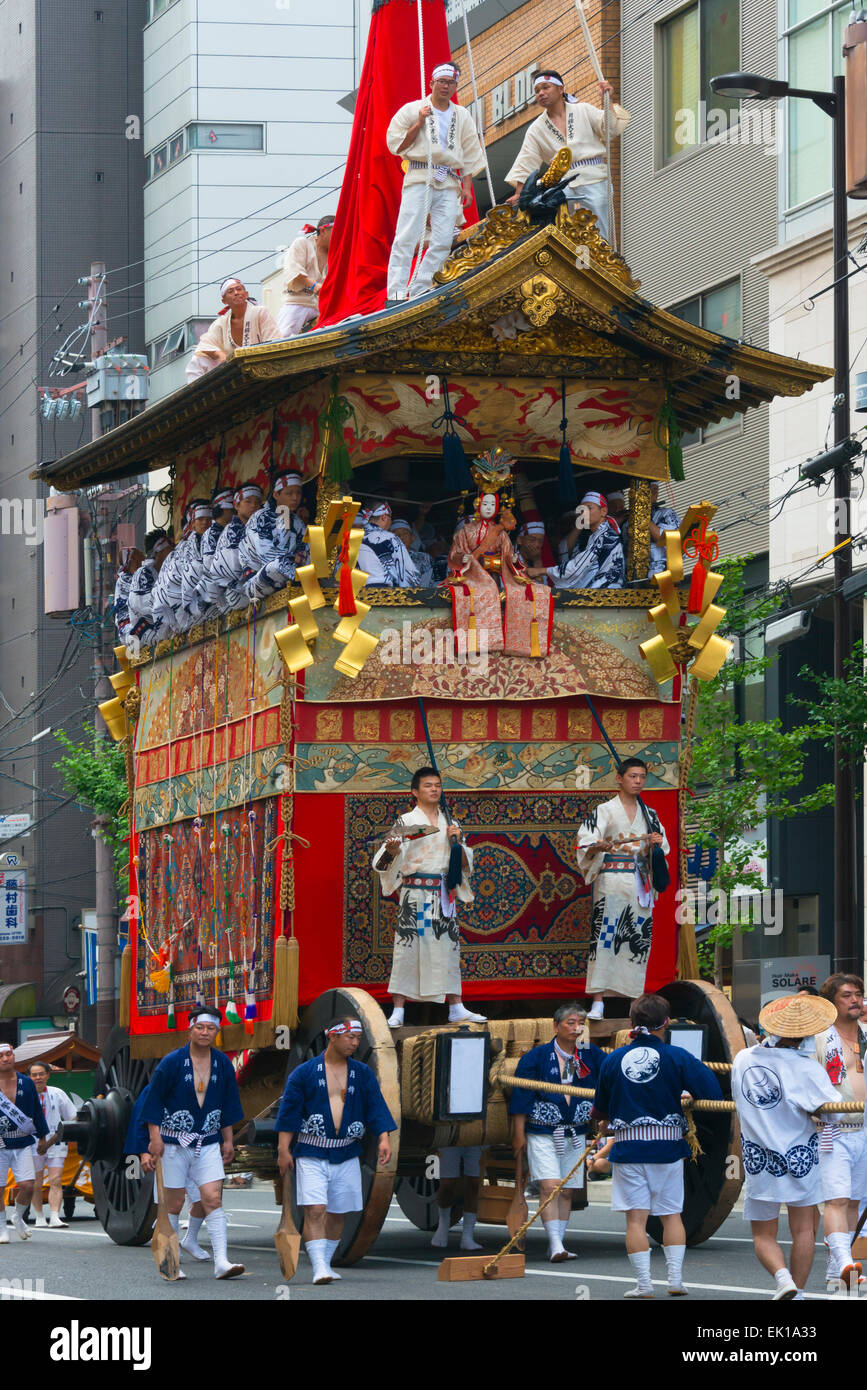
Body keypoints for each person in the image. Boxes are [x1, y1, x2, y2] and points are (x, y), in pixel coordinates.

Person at [592, 993, 722, 1298]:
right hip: (667, 1148)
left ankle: (644, 1285)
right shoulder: (677, 1057)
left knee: (636, 1219)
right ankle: (675, 1280)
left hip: (628, 1149)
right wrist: (686, 1097)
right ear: (666, 1023)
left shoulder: (613, 1059)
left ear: (631, 1024)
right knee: (671, 1215)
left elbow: (601, 1111)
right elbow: (711, 1089)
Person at [732, 992, 842, 1299]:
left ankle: (783, 1280)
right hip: (800, 1157)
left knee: (763, 1234)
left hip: (758, 1159)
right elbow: (839, 1110)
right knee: (804, 1230)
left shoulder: (743, 1059)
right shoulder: (806, 1068)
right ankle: (800, 1290)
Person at [275, 1018, 397, 1286]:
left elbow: (376, 1107)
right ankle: (319, 1266)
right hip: (311, 1150)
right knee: (316, 1209)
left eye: (357, 1037)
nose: (355, 1042)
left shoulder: (362, 1073)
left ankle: (326, 1262)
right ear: (332, 1036)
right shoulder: (304, 1073)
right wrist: (284, 1149)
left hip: (346, 1152)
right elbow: (289, 1114)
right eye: (349, 1037)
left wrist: (384, 1138)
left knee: (339, 1212)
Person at [372, 766, 484, 1029]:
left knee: (448, 949)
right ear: (415, 792)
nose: (434, 789)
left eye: (437, 785)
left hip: (443, 894)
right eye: (428, 786)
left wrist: (459, 844)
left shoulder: (452, 823)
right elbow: (381, 864)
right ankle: (399, 1010)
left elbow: (467, 863)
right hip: (415, 894)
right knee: (407, 949)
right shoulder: (406, 821)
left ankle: (456, 1007)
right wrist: (393, 848)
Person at [141, 1008, 245, 1280]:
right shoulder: (172, 1062)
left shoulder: (222, 1064)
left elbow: (228, 1105)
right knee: (173, 1204)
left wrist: (228, 1140)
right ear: (190, 1030)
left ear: (217, 1033)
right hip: (174, 1142)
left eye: (211, 1029)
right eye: (200, 1027)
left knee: (213, 1197)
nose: (205, 1032)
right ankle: (169, 1259)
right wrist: (155, 1137)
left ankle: (222, 1261)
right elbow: (153, 1102)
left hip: (208, 1141)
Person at [510, 1002, 606, 1262]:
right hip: (542, 1130)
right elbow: (522, 1096)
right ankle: (554, 1244)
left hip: (575, 1130)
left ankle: (559, 1242)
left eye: (580, 1024)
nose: (576, 1029)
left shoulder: (589, 1054)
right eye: (570, 1023)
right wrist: (518, 1133)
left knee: (566, 1190)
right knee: (550, 1185)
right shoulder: (537, 1057)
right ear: (556, 1026)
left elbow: (610, 1076)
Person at [576, 757, 669, 1017]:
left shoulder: (650, 815)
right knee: (604, 937)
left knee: (637, 938)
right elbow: (585, 841)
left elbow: (663, 847)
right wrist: (598, 845)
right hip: (612, 880)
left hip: (639, 882)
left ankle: (633, 1002)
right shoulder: (604, 810)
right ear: (619, 778)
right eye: (632, 776)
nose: (638, 781)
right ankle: (598, 1001)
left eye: (642, 777)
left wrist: (655, 842)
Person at [385, 63, 485, 302]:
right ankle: (396, 292)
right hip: (420, 174)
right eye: (441, 81)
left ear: (455, 86)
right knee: (407, 235)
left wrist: (468, 187)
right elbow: (395, 143)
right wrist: (418, 124)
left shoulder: (461, 114)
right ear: (431, 83)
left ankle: (421, 287)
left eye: (451, 83)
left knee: (442, 239)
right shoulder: (413, 109)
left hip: (449, 180)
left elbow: (470, 152)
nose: (446, 86)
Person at [505, 70, 629, 243]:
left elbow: (610, 129)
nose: (541, 93)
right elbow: (527, 160)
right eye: (537, 90)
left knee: (599, 233)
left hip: (595, 177)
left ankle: (602, 265)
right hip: (564, 186)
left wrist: (607, 101)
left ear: (560, 89)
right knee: (573, 236)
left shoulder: (583, 110)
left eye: (546, 87)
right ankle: (581, 268)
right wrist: (519, 193)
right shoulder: (536, 128)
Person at [815, 972, 867, 1285]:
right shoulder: (819, 1037)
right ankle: (845, 1264)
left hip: (864, 1128)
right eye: (846, 995)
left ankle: (839, 1269)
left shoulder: (865, 1032)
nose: (855, 1000)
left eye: (858, 994)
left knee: (855, 1201)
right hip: (832, 1128)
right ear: (832, 1002)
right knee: (836, 1199)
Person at [124, 1082, 209, 1271]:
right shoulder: (158, 1085)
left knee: (207, 1198)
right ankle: (171, 1254)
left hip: (196, 1147)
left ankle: (191, 1240)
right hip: (168, 1148)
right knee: (171, 1205)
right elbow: (141, 1118)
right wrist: (143, 1152)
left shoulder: (203, 1081)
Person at [0, 1042, 50, 1242]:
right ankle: (1, 1227)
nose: (5, 1059)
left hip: (22, 1142)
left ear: (14, 1056)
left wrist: (43, 1137)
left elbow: (37, 1112)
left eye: (8, 1054)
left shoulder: (26, 1083)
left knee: (28, 1185)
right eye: (1, 1055)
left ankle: (18, 1216)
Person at [185, 279, 279, 382]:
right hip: (234, 371)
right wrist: (219, 354)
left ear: (246, 294)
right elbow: (204, 345)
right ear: (224, 301)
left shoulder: (260, 312)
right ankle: (197, 394)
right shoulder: (221, 323)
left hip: (262, 365)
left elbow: (273, 340)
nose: (236, 293)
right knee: (198, 359)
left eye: (239, 289)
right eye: (230, 291)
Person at [529, 491, 625, 590]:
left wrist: (539, 571)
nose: (584, 513)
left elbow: (576, 567)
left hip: (606, 591)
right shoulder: (598, 534)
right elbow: (565, 552)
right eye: (582, 510)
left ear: (603, 511)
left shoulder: (604, 535)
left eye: (589, 508)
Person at [239, 470, 310, 604]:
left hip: (289, 571)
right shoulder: (260, 517)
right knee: (279, 565)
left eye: (298, 493)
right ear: (276, 494)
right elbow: (267, 555)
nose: (295, 498)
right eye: (289, 493)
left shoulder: (297, 521)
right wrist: (296, 558)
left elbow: (306, 548)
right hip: (258, 580)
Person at [28, 1063, 78, 1229]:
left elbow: (72, 1116)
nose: (38, 1078)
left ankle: (55, 1216)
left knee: (56, 1179)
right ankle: (39, 1216)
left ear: (48, 1075)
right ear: (29, 1077)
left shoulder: (57, 1093)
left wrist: (64, 1133)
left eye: (41, 1074)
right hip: (32, 1142)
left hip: (56, 1141)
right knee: (37, 1180)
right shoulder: (24, 1096)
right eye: (34, 1075)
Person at [210, 483, 265, 612]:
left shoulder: (257, 526)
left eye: (257, 503)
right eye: (248, 502)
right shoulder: (232, 531)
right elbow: (232, 569)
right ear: (236, 505)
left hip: (253, 584)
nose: (253, 506)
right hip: (237, 592)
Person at [278, 216, 334, 338]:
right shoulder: (302, 243)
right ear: (324, 231)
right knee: (284, 338)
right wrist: (314, 285)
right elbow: (294, 270)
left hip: (321, 307)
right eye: (336, 231)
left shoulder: (335, 255)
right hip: (297, 303)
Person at [125, 529, 174, 654]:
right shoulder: (143, 573)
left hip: (159, 632)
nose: (173, 551)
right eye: (170, 546)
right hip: (141, 639)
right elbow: (143, 604)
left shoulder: (162, 571)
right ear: (161, 549)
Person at [430, 1145, 485, 1252]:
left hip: (477, 1138)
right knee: (447, 1184)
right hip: (450, 1138)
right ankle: (443, 1225)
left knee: (475, 1183)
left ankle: (468, 1237)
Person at [195, 487, 236, 620]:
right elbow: (211, 568)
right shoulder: (212, 534)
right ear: (223, 509)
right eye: (232, 508)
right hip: (217, 597)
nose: (235, 511)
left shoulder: (225, 530)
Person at [357, 504, 419, 587]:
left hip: (355, 592)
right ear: (384, 517)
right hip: (384, 593)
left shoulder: (352, 536)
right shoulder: (389, 537)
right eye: (390, 518)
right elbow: (407, 572)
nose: (390, 522)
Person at [391, 518, 435, 587]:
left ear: (412, 538)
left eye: (405, 533)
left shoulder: (424, 558)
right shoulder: (386, 561)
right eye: (396, 534)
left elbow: (428, 584)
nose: (401, 537)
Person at [113, 546, 144, 642]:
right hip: (130, 629)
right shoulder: (127, 580)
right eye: (141, 557)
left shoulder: (127, 578)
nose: (144, 559)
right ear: (132, 560)